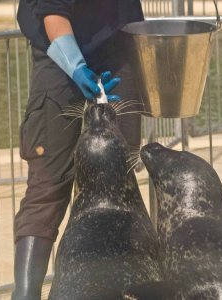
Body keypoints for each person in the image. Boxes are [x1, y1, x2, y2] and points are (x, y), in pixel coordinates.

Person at [12, 1, 144, 299]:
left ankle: (118, 287)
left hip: (116, 47)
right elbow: (52, 12)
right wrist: (75, 66)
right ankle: (25, 294)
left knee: (121, 178)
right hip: (58, 51)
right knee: (48, 183)